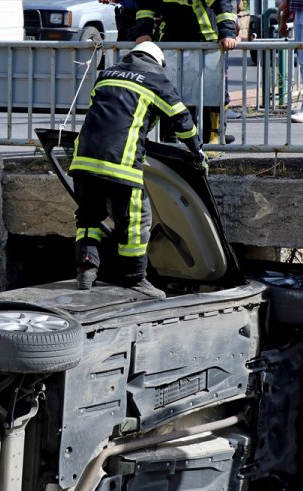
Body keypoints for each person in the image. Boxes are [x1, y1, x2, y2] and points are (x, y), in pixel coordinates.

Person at [68, 41, 207, 299]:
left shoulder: (106, 75)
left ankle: (86, 272)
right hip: (122, 164)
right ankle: (134, 279)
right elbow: (182, 121)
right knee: (134, 222)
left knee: (89, 218)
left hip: (84, 160)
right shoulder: (156, 80)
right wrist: (197, 151)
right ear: (158, 63)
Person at [134, 0, 237, 144]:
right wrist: (143, 32)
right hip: (171, 40)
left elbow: (222, 5)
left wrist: (227, 33)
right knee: (175, 92)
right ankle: (178, 139)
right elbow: (146, 6)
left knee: (213, 90)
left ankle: (214, 137)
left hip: (207, 40)